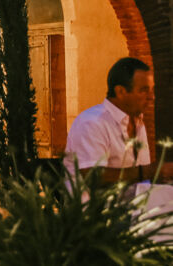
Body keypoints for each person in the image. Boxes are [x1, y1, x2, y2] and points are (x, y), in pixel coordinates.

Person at [63, 57, 169, 186]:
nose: (152, 97)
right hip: (99, 206)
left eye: (152, 90)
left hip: (135, 205)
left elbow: (140, 180)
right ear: (120, 92)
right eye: (144, 90)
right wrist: (149, 171)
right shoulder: (91, 122)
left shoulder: (138, 122)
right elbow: (92, 176)